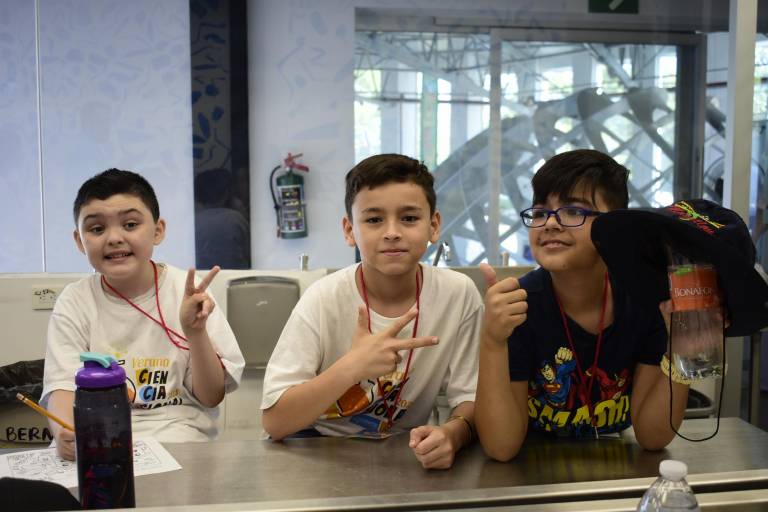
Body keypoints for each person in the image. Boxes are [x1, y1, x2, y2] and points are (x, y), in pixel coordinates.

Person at [261, 154, 482, 469]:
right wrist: (352, 367)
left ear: (433, 226)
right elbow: (275, 422)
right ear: (349, 230)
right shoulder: (323, 299)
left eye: (409, 218)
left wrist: (453, 434)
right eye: (374, 220)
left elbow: (469, 397)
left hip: (405, 451)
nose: (392, 232)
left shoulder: (458, 295)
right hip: (314, 444)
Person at [475, 149, 687, 462]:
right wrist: (492, 340)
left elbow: (653, 437)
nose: (550, 223)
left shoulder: (644, 302)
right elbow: (501, 447)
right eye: (540, 212)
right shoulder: (519, 307)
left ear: (615, 227)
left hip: (614, 470)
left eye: (574, 211)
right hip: (531, 472)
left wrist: (682, 346)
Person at [41, 169, 245, 460]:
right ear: (79, 240)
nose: (114, 238)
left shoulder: (188, 292)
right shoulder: (75, 300)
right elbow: (62, 387)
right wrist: (65, 431)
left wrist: (196, 332)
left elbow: (211, 396)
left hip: (176, 438)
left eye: (130, 224)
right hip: (98, 442)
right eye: (97, 229)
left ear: (158, 230)